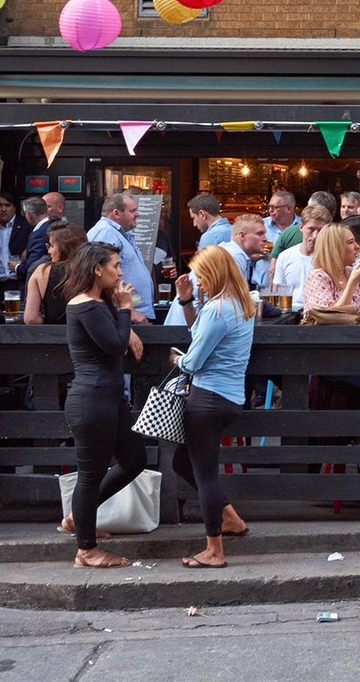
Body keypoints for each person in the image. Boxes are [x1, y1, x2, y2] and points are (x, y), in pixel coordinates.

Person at [59, 242, 147, 569]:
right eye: (115, 265)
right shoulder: (85, 305)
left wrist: (124, 315)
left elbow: (117, 340)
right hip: (92, 399)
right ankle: (86, 550)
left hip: (108, 398)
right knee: (90, 474)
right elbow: (113, 345)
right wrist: (124, 309)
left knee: (134, 458)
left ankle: (77, 519)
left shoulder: (97, 302)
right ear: (97, 269)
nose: (120, 272)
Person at [169, 247, 255, 568]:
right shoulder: (241, 305)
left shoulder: (218, 310)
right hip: (230, 398)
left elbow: (192, 359)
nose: (199, 281)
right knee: (182, 462)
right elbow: (201, 335)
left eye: (202, 276)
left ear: (215, 274)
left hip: (206, 400)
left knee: (205, 475)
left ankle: (214, 550)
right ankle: (231, 519)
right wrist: (187, 301)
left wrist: (176, 359)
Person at [87, 192, 154, 321]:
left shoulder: (122, 233)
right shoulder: (105, 232)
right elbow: (102, 277)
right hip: (125, 314)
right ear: (116, 213)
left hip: (132, 312)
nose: (137, 214)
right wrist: (130, 311)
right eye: (133, 211)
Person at [301, 223, 360, 322]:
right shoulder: (318, 276)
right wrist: (352, 282)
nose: (357, 246)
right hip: (327, 336)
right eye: (350, 242)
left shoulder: (350, 272)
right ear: (335, 248)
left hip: (355, 335)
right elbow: (333, 318)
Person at [23, 220, 87, 325]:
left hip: (52, 336)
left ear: (64, 247)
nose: (49, 251)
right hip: (87, 337)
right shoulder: (93, 270)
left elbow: (31, 319)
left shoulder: (41, 272)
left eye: (52, 246)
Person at [271, 205, 330, 303]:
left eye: (320, 230)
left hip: (320, 313)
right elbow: (278, 290)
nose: (315, 236)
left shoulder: (331, 257)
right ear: (301, 227)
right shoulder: (285, 257)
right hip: (291, 312)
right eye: (311, 229)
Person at [219, 213, 272, 291]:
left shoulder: (232, 251)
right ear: (242, 236)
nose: (265, 239)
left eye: (264, 234)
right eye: (259, 234)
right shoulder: (235, 255)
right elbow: (235, 297)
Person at [22, 192, 67, 277]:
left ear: (28, 215)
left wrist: (17, 267)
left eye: (48, 206)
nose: (49, 250)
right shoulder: (56, 226)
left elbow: (32, 265)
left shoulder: (40, 232)